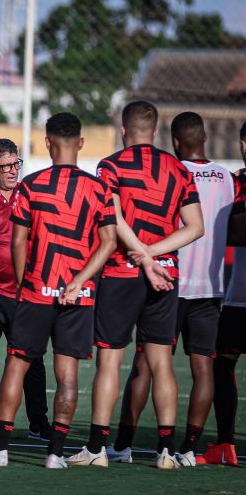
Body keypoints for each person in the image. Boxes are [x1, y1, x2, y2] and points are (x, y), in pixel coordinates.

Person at [0, 113, 116, 468]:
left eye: (14, 163)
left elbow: (19, 242)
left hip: (34, 291)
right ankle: (54, 453)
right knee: (66, 374)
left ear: (47, 143)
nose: (11, 170)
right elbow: (109, 241)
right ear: (81, 143)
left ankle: (1, 448)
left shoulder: (32, 186)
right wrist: (81, 282)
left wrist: (24, 283)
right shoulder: (99, 188)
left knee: (17, 364)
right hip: (74, 295)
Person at [69, 100, 204, 469]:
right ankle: (165, 451)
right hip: (164, 276)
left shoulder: (110, 165)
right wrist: (155, 256)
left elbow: (113, 220)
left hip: (121, 273)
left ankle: (98, 448)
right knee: (161, 362)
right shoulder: (178, 169)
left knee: (109, 361)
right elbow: (195, 227)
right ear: (157, 132)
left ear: (124, 130)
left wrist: (141, 255)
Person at [106, 112, 236, 466]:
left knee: (146, 362)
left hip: (169, 278)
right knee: (203, 367)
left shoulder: (171, 171)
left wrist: (145, 253)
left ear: (174, 141)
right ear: (206, 138)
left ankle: (124, 443)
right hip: (210, 286)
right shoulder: (228, 177)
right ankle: (189, 448)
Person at [0, 138, 51, 441]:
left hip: (23, 292)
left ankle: (38, 421)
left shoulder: (28, 194)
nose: (13, 171)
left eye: (16, 164)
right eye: (6, 166)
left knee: (32, 357)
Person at [197, 120, 246, 466]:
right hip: (237, 296)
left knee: (221, 361)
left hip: (241, 298)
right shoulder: (234, 181)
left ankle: (227, 443)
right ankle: (225, 445)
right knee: (221, 361)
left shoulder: (238, 183)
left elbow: (237, 231)